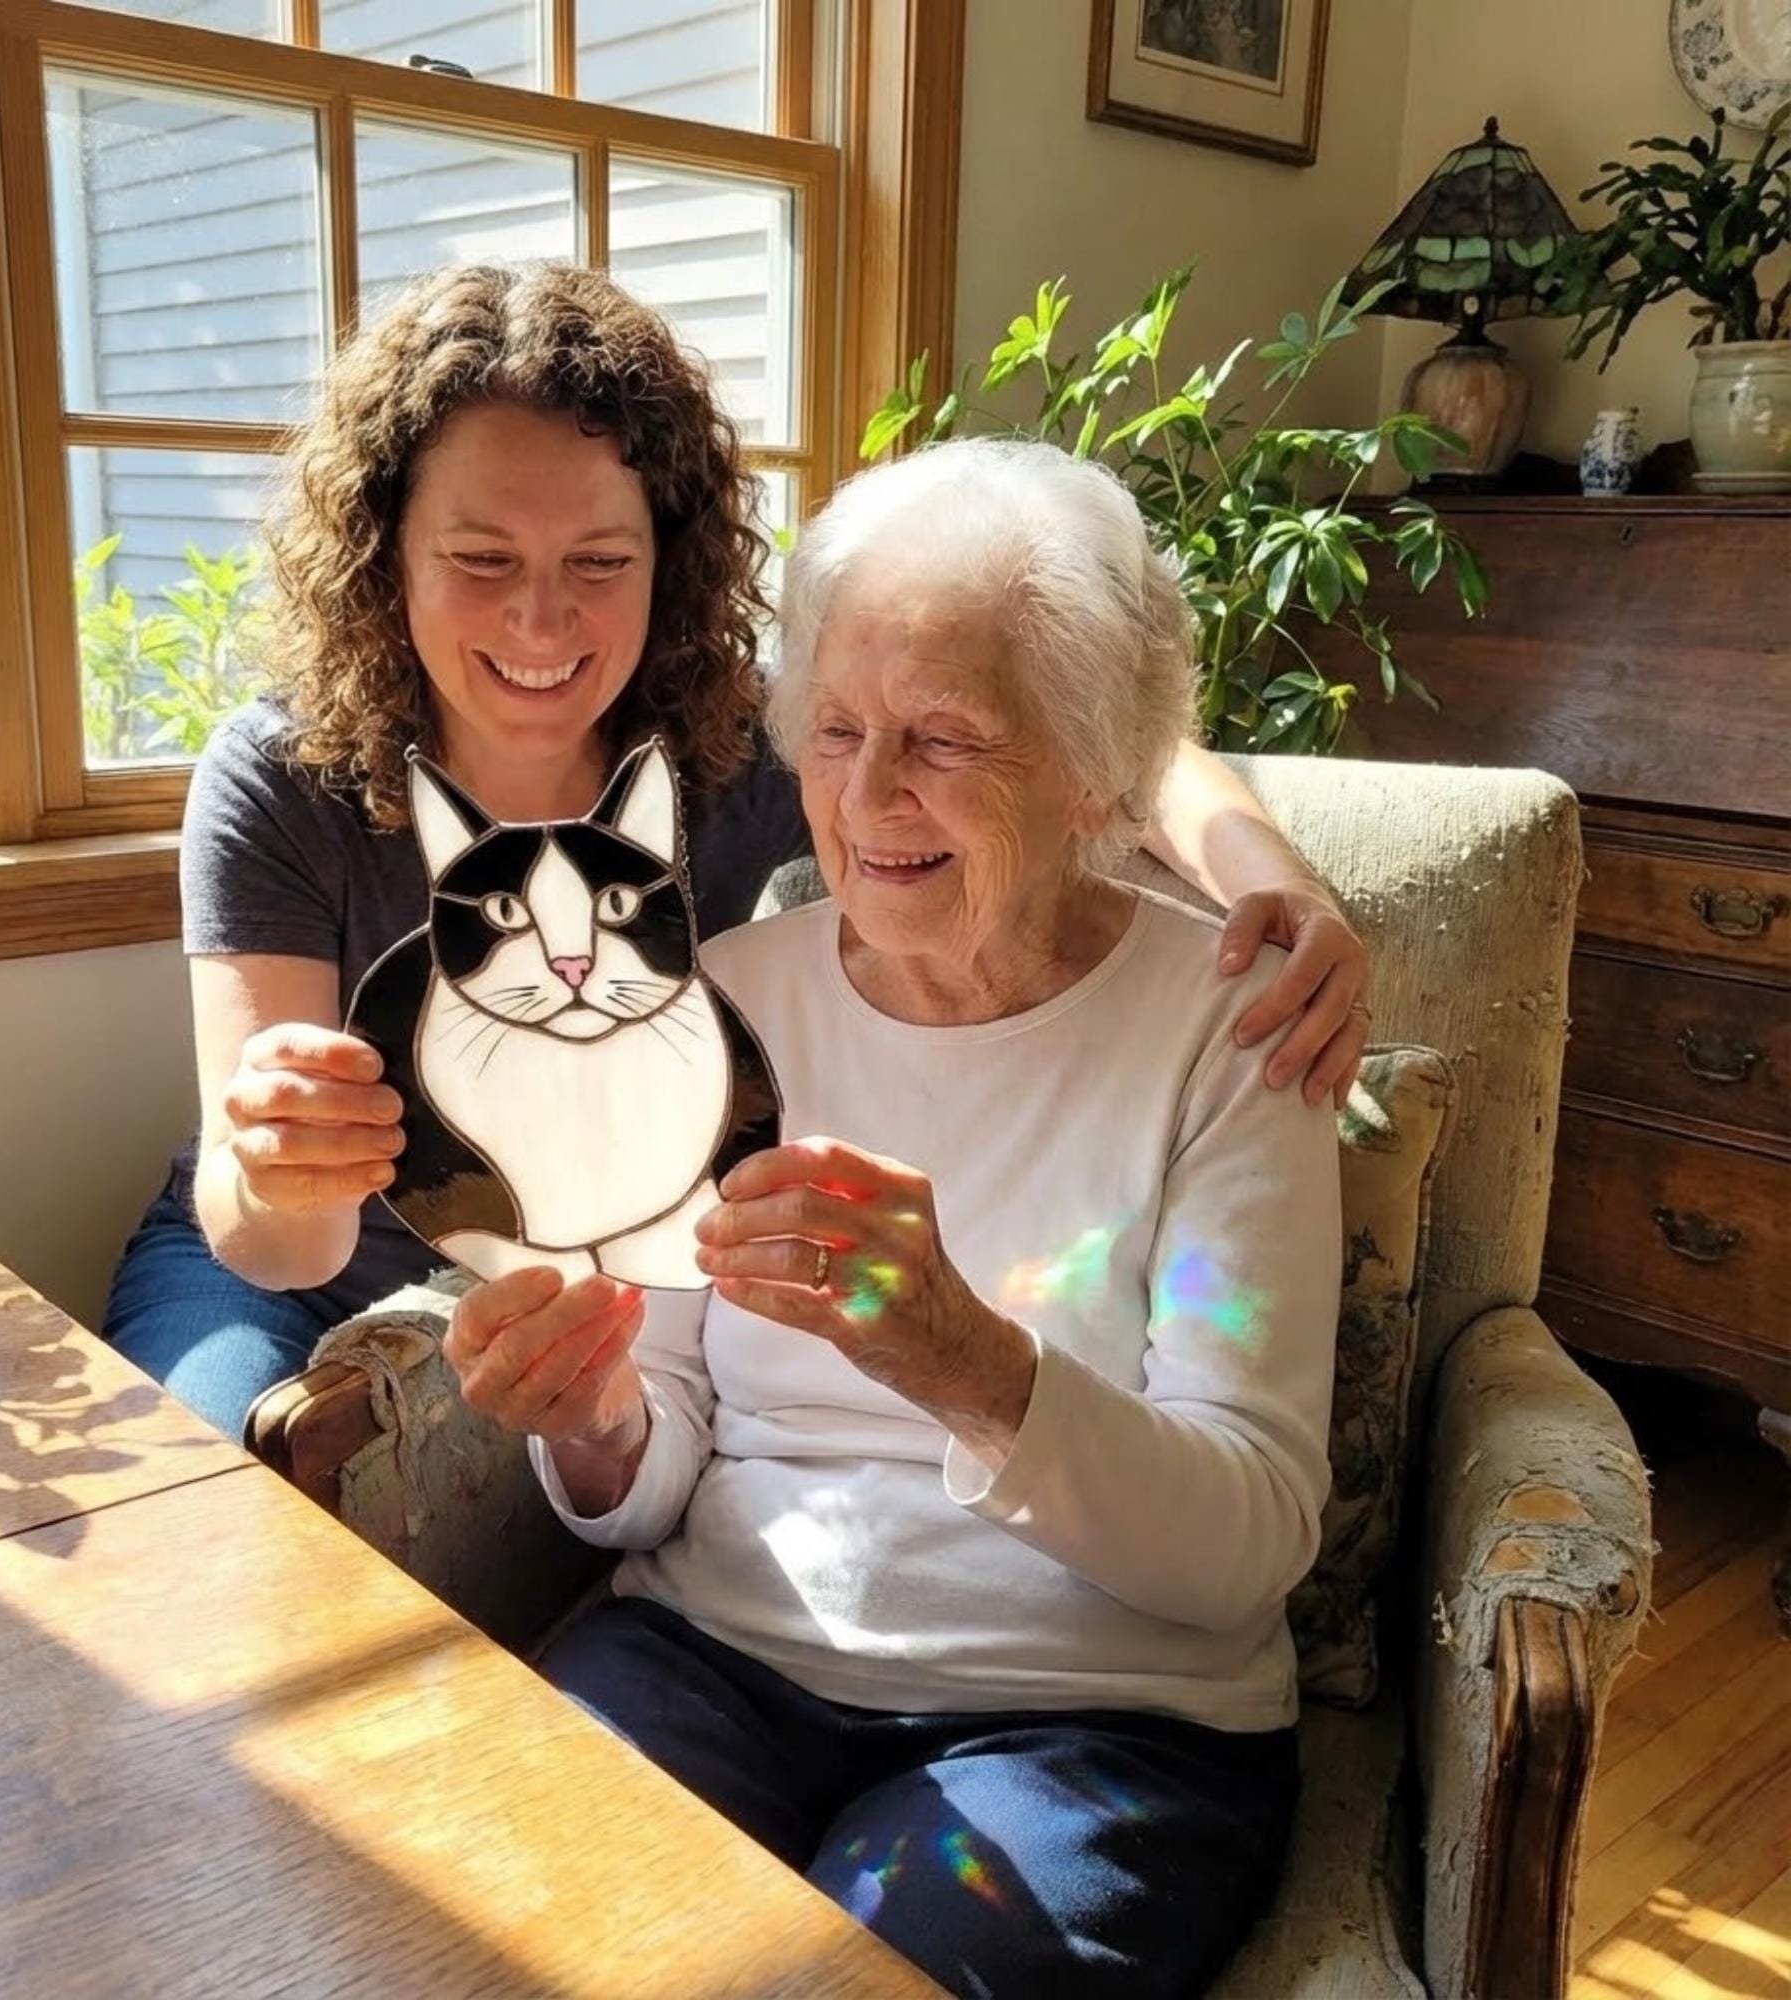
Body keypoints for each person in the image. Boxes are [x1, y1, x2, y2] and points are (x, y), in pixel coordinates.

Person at [103, 261, 1369, 1442]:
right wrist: (281, 1168)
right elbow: (280, 1242)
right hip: (281, 1287)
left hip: (582, 1287)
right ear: (387, 562)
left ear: (669, 559)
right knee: (205, 1509)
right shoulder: (285, 774)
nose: (541, 617)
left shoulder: (727, 745)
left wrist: (1276, 883)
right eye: (480, 559)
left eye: (599, 560)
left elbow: (1096, 740)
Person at [447, 436, 1341, 1999]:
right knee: (490, 1925)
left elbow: (1249, 1541)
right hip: (717, 1657)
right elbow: (650, 1452)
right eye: (840, 728)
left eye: (944, 738)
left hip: (1096, 1719)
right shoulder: (716, 1006)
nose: (866, 800)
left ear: (1095, 771)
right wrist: (590, 1415)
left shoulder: (1233, 1036)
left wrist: (969, 1363)